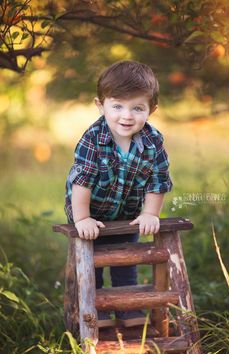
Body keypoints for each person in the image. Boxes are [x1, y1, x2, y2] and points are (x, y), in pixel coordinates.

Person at [65, 60, 173, 328]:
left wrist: (150, 213)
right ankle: (97, 314)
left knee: (126, 261)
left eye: (137, 108)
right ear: (100, 106)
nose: (126, 116)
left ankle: (128, 311)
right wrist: (82, 219)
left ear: (152, 110)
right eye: (117, 106)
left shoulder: (153, 141)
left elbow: (158, 180)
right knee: (93, 265)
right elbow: (82, 181)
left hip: (128, 213)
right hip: (91, 212)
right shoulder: (93, 138)